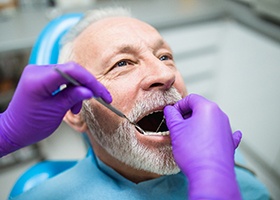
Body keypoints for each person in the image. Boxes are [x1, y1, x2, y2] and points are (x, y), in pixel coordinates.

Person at [2, 7, 269, 200]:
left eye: (164, 57)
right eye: (122, 63)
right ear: (76, 112)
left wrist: (214, 170)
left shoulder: (222, 152)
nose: (165, 75)